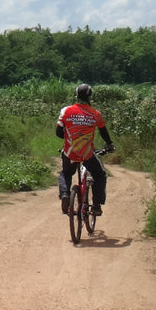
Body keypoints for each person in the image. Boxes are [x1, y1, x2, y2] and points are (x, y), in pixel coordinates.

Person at [57, 83, 114, 216]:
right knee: (99, 175)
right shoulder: (95, 114)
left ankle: (65, 194)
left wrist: (70, 140)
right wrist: (109, 144)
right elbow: (103, 132)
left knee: (65, 174)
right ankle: (96, 206)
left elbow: (59, 132)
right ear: (90, 96)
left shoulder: (66, 111)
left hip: (70, 152)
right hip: (86, 153)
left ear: (76, 95)